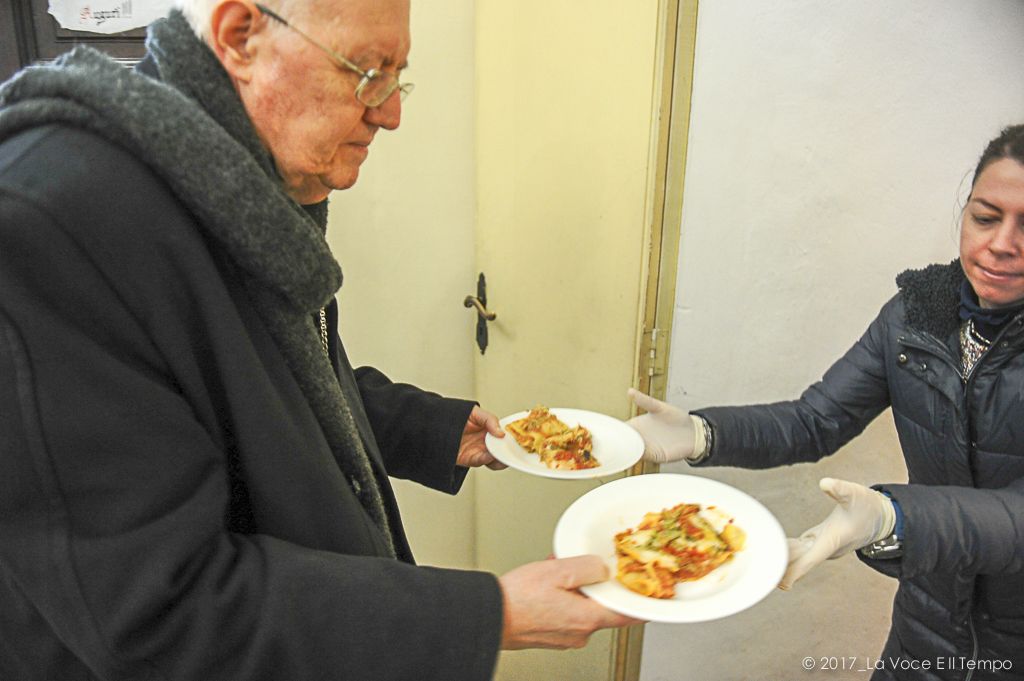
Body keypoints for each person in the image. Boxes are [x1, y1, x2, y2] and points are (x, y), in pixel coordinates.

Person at [0, 1, 633, 678]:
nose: (390, 113)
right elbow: (161, 610)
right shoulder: (49, 224)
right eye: (367, 74)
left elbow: (263, 390)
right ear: (240, 34)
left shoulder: (228, 178)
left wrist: (435, 429)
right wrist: (489, 613)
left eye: (399, 78)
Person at [628, 124, 1024, 680]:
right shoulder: (917, 314)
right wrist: (702, 433)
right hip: (927, 627)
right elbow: (816, 419)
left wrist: (896, 516)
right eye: (986, 217)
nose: (1002, 243)